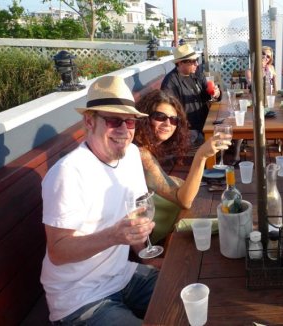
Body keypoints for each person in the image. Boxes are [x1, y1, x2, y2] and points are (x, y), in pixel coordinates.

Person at [40, 76, 159, 324]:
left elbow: (135, 217)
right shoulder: (68, 173)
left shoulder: (131, 155)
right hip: (79, 298)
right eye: (114, 121)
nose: (124, 131)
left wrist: (149, 256)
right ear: (89, 121)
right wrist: (114, 235)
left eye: (130, 121)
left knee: (187, 290)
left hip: (122, 275)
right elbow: (58, 251)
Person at [133, 89, 229, 243]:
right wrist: (201, 155)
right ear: (145, 118)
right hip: (158, 232)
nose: (168, 124)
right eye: (160, 117)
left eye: (173, 120)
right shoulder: (140, 154)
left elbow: (154, 181)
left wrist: (175, 181)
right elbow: (184, 200)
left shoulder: (142, 147)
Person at [161, 43, 222, 146]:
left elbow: (207, 94)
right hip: (189, 129)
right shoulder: (170, 83)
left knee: (226, 131)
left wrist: (216, 93)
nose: (197, 64)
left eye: (196, 60)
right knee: (215, 143)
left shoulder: (196, 74)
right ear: (180, 63)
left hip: (205, 121)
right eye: (193, 62)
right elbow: (170, 111)